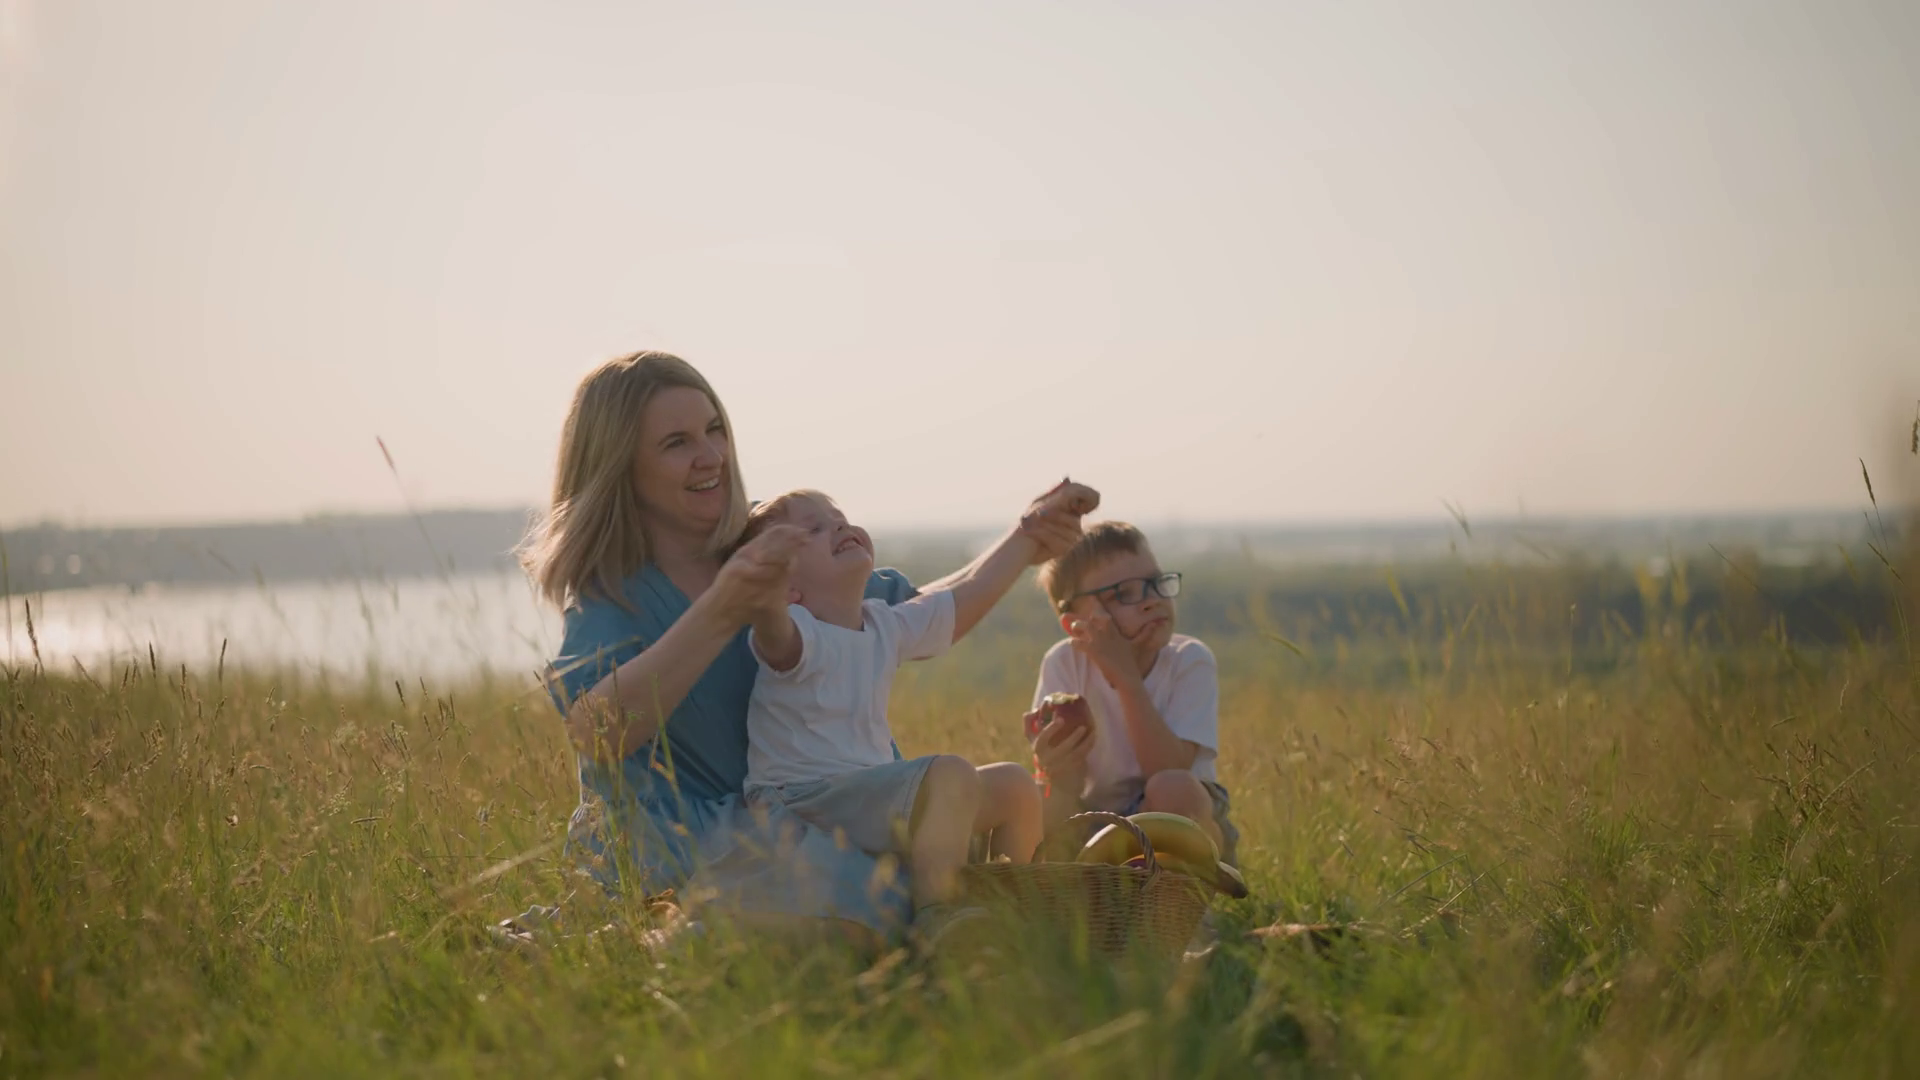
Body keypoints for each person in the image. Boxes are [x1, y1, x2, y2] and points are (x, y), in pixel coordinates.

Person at [522, 351, 1092, 947]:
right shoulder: (615, 591)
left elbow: (919, 612)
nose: (711, 455)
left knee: (948, 832)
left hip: (816, 815)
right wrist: (724, 608)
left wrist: (1027, 539)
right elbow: (596, 733)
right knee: (871, 899)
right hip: (686, 836)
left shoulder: (772, 542)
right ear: (622, 467)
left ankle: (993, 933)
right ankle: (634, 942)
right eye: (676, 443)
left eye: (715, 430)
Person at [737, 487, 1091, 929]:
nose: (839, 526)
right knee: (948, 773)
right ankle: (937, 922)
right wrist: (764, 595)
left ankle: (1024, 923)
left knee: (1015, 787)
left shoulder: (883, 623)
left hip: (864, 798)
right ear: (786, 587)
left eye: (839, 517)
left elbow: (966, 596)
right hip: (801, 801)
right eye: (813, 528)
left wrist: (1029, 533)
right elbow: (773, 634)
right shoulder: (800, 633)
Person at [1026, 521, 1239, 863]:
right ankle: (1071, 890)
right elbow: (1065, 788)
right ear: (1075, 624)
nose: (1152, 601)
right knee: (1030, 800)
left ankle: (1186, 892)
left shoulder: (1188, 660)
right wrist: (1055, 765)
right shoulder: (1064, 664)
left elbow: (1168, 768)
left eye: (1156, 584)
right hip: (1095, 818)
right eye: (1123, 593)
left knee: (1172, 787)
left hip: (1180, 821)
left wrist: (1125, 677)